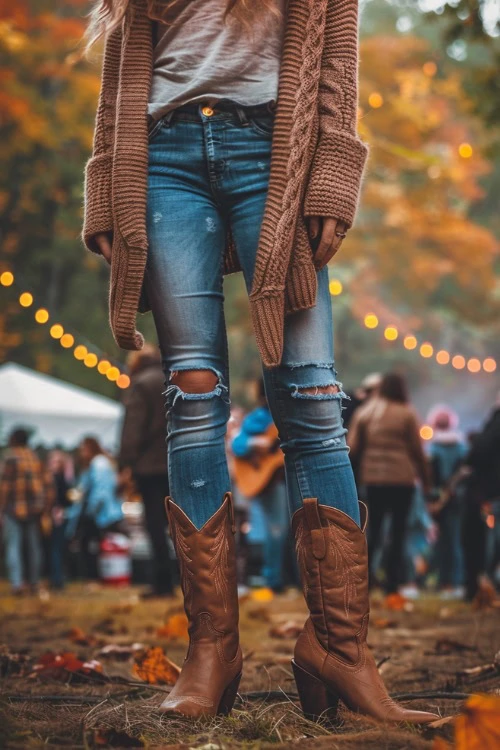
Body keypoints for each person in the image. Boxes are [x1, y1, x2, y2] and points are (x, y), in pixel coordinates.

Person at [81, 0, 436, 724]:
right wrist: (106, 191)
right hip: (161, 156)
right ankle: (212, 649)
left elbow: (334, 61)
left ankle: (340, 648)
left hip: (275, 147)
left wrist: (334, 171)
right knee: (194, 393)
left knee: (311, 391)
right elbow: (122, 63)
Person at [348, 373, 431, 594]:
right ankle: (392, 584)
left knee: (373, 531)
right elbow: (418, 451)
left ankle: (364, 581)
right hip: (402, 480)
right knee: (398, 531)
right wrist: (427, 481)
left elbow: (352, 447)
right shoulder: (407, 413)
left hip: (373, 479)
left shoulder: (365, 412)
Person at [119, 343, 175, 598]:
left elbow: (133, 428)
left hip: (150, 467)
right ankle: (191, 582)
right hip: (177, 463)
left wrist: (125, 463)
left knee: (155, 526)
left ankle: (162, 583)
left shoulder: (141, 383)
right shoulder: (173, 379)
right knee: (180, 526)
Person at [231, 379, 287, 592]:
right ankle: (273, 579)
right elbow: (238, 444)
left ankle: (285, 577)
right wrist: (257, 443)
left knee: (283, 529)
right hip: (270, 483)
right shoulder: (259, 418)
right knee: (277, 529)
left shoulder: (284, 415)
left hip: (284, 481)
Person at [0, 428, 54, 595]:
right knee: (33, 547)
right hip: (35, 509)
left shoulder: (10, 457)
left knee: (14, 546)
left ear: (14, 439)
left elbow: (4, 486)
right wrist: (46, 509)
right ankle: (34, 582)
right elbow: (48, 485)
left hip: (14, 508)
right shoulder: (35, 457)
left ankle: (18, 584)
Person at [67, 437, 125, 580]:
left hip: (100, 513)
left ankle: (95, 576)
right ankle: (99, 576)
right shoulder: (97, 464)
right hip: (100, 512)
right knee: (94, 545)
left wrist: (91, 510)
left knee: (91, 545)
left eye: (84, 449)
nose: (81, 452)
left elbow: (101, 490)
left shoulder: (98, 463)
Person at [426, 406, 467, 598]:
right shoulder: (462, 447)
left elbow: (430, 477)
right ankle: (457, 581)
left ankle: (444, 581)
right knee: (456, 540)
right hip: (458, 499)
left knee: (442, 542)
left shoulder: (432, 448)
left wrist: (432, 499)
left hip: (438, 501)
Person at [47, 450, 73, 590]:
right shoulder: (54, 478)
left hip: (58, 517)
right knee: (55, 549)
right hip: (55, 517)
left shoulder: (59, 479)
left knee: (56, 548)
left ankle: (57, 579)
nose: (53, 464)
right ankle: (57, 578)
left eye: (56, 461)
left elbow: (66, 500)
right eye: (51, 460)